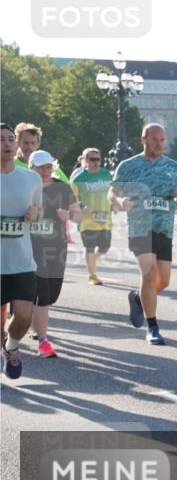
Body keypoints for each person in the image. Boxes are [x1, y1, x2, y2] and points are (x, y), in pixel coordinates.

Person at [108, 123, 177, 345]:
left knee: (163, 281)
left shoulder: (173, 166)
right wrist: (119, 201)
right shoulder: (128, 166)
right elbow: (112, 192)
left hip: (164, 227)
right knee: (149, 273)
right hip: (140, 227)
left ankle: (138, 298)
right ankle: (152, 328)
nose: (159, 144)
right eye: (154, 140)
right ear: (143, 139)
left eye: (162, 140)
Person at [28, 150, 82, 358]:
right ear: (31, 168)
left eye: (48, 167)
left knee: (51, 295)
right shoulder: (25, 187)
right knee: (41, 295)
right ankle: (43, 339)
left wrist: (69, 215)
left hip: (56, 248)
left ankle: (31, 320)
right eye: (40, 167)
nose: (45, 171)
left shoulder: (62, 187)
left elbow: (78, 215)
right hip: (31, 248)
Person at [1, 123, 43, 378]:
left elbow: (39, 214)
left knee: (24, 318)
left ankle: (11, 347)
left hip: (22, 262)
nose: (6, 143)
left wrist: (35, 215)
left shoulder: (31, 178)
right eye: (0, 140)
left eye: (9, 139)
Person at [72, 148, 114, 285]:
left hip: (105, 219)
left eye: (98, 159)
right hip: (87, 221)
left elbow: (113, 191)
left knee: (105, 248)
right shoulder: (78, 179)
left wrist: (115, 203)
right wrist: (81, 206)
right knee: (89, 248)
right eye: (92, 159)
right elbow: (70, 198)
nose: (96, 162)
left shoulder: (107, 175)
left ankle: (92, 259)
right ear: (85, 160)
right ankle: (92, 275)